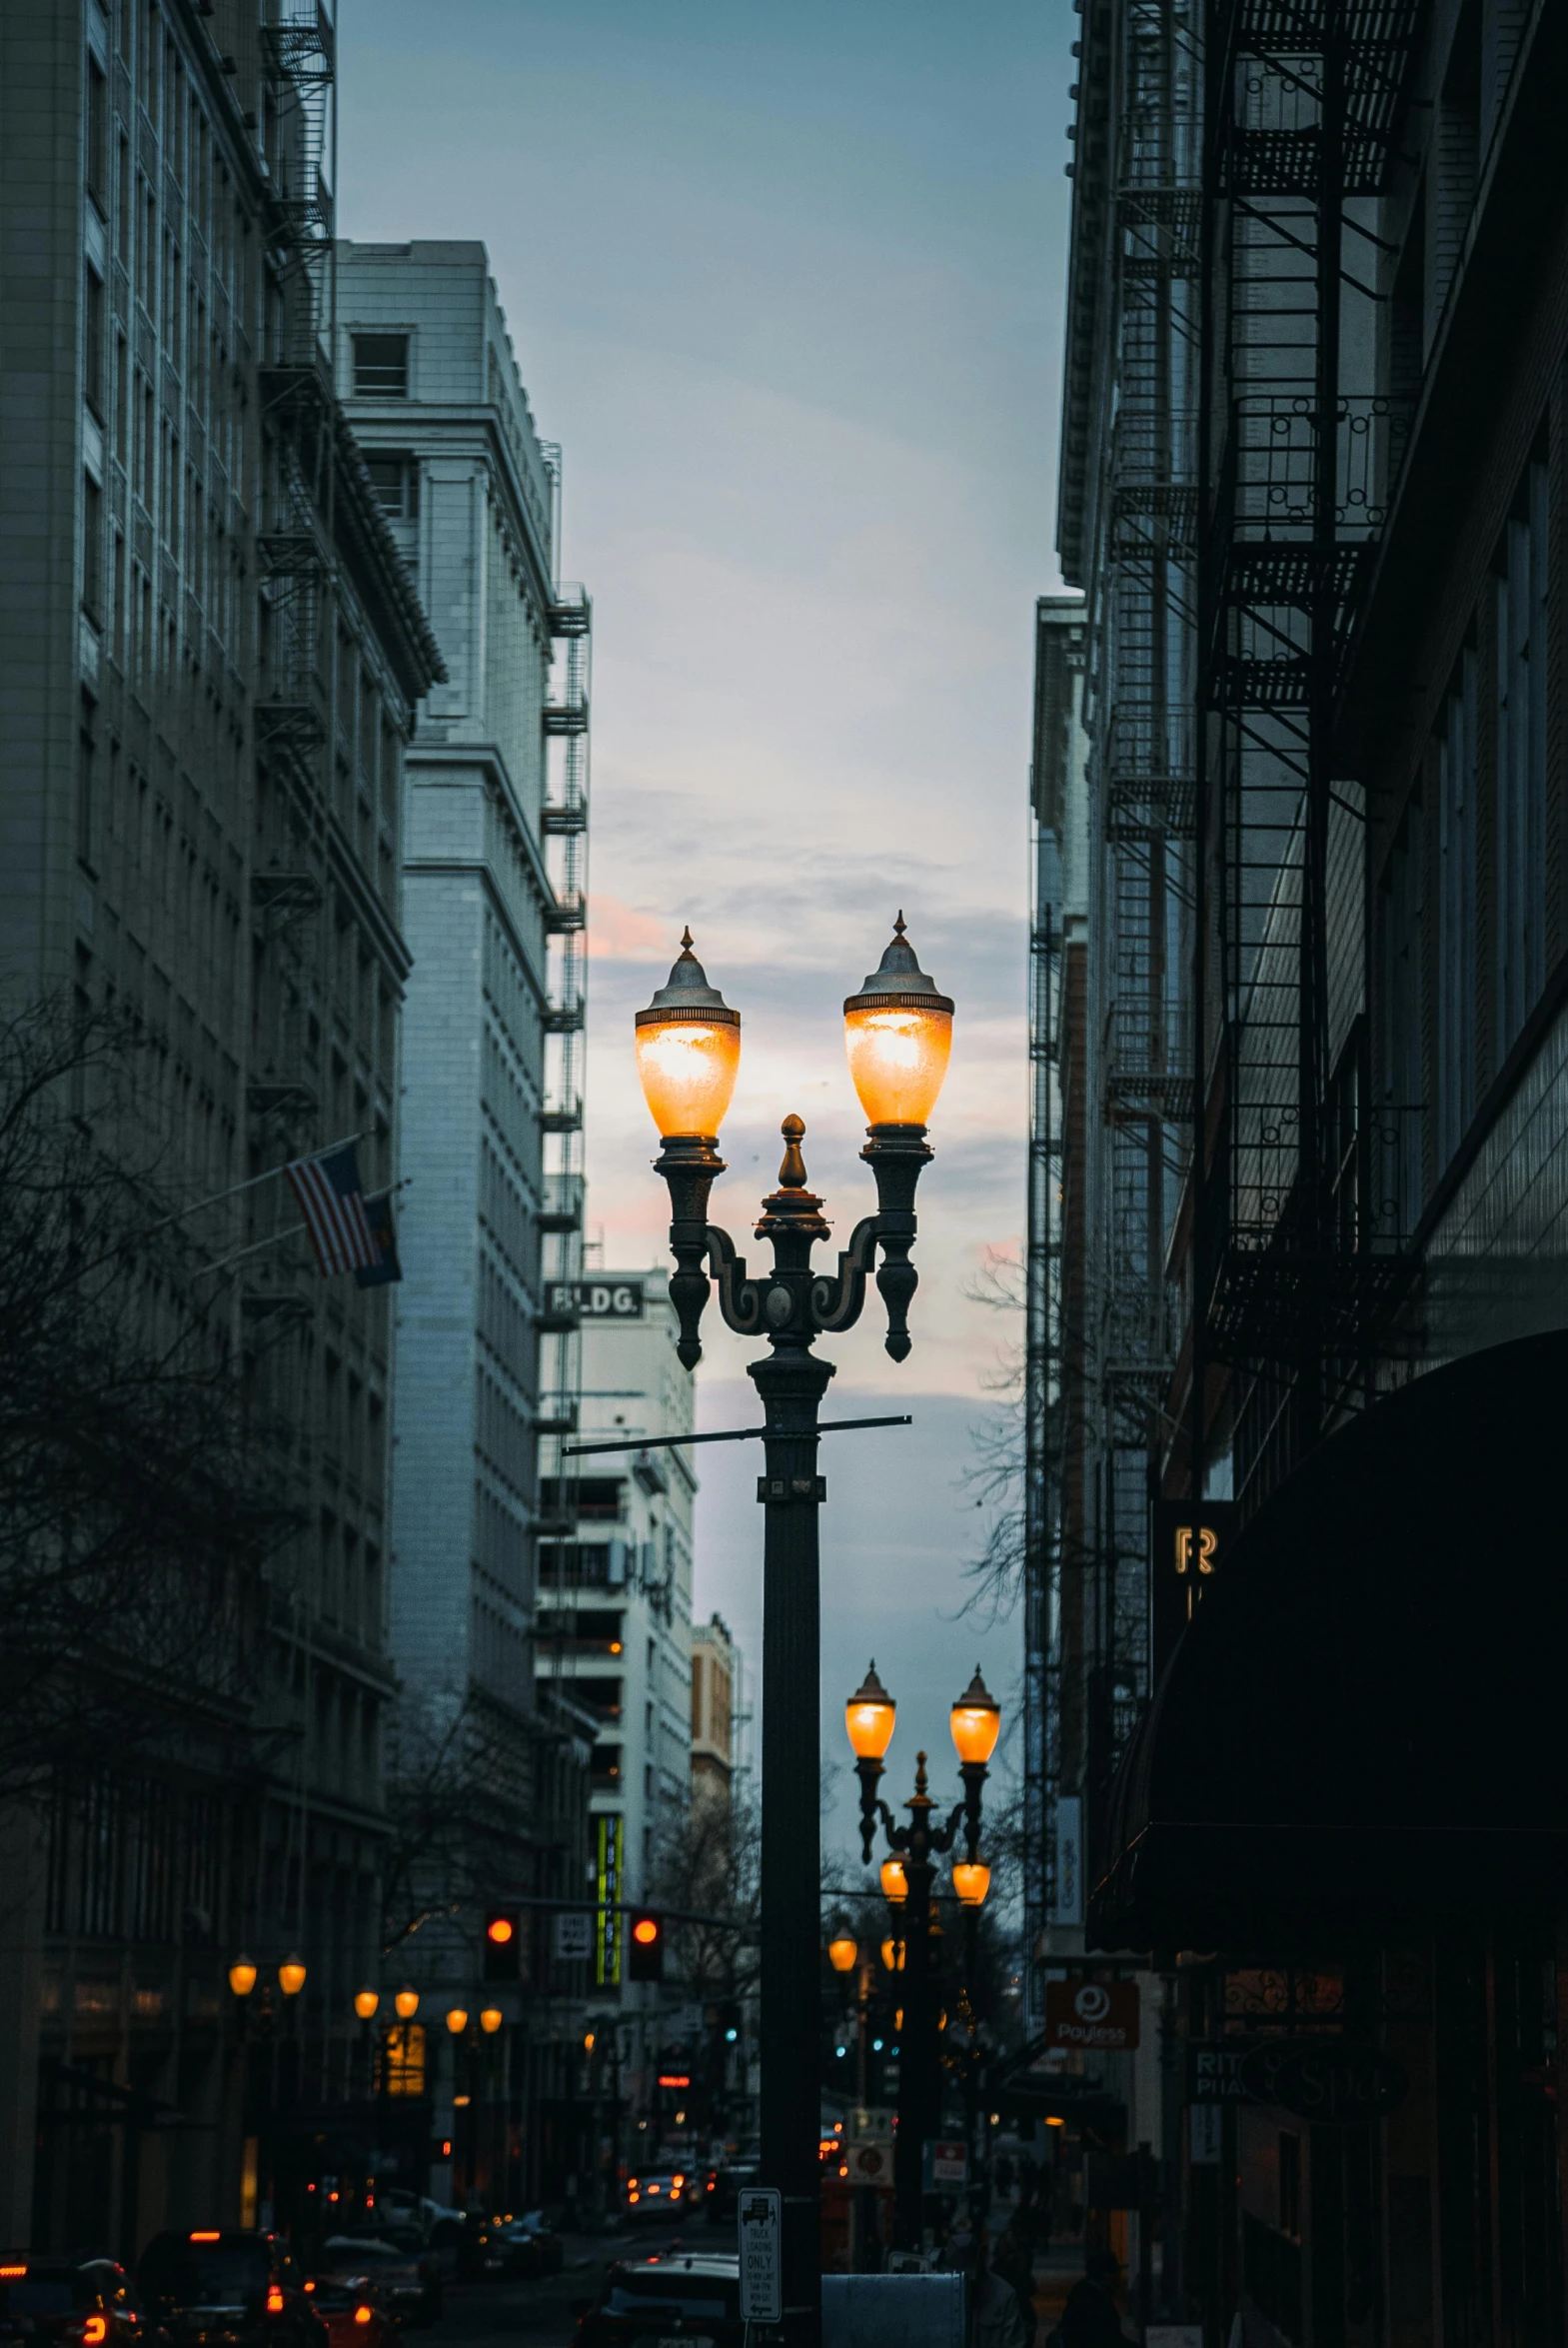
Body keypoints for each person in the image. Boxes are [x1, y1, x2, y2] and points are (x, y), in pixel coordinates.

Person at [1048, 2246, 1126, 2348]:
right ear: (1105, 2275)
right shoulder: (1093, 2299)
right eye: (1115, 2273)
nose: (1118, 2276)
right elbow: (1103, 2335)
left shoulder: (1086, 2293)